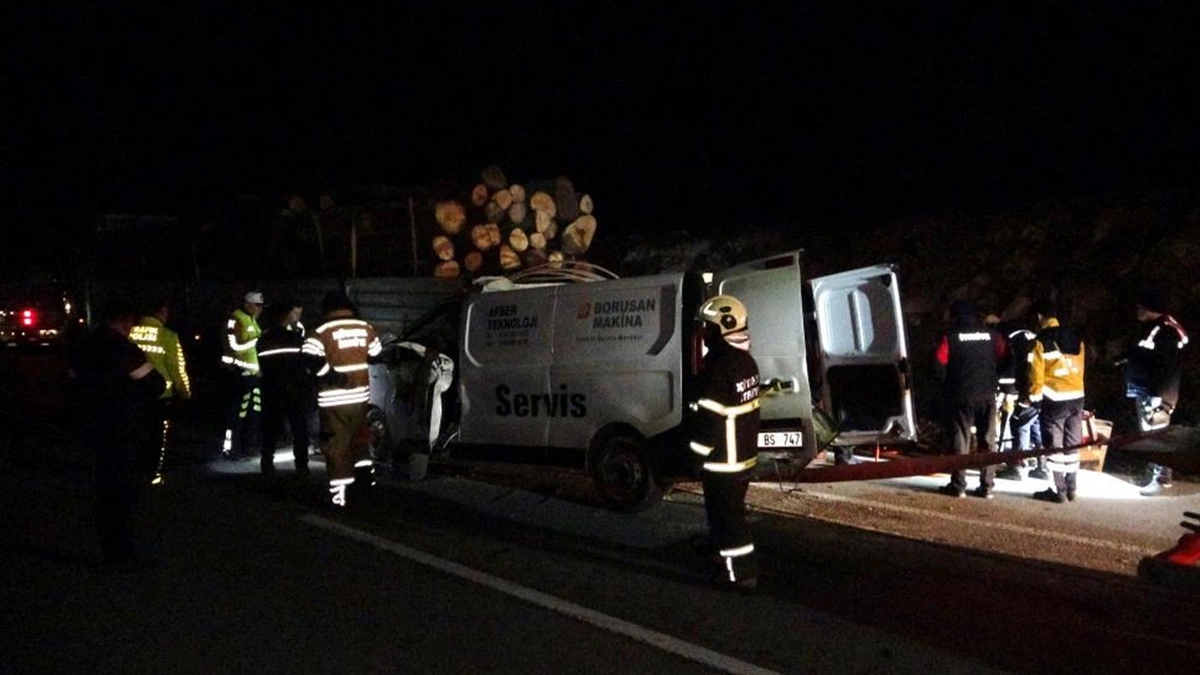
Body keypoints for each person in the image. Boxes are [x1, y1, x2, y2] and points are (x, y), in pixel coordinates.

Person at [70, 301, 166, 572]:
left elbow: (74, 382)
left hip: (95, 425)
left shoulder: (85, 346)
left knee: (105, 490)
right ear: (124, 322)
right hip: (123, 426)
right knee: (122, 493)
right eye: (130, 325)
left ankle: (110, 549)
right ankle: (122, 554)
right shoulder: (123, 349)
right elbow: (154, 384)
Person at [688, 294, 762, 593]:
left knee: (730, 519)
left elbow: (710, 422)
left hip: (723, 460)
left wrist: (696, 457)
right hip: (742, 456)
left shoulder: (720, 368)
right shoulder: (745, 361)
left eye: (708, 327)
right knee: (725, 514)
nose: (704, 332)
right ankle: (722, 555)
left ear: (722, 327)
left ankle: (740, 575)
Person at [302, 290, 381, 507]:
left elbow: (310, 359)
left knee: (337, 445)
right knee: (360, 441)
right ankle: (365, 487)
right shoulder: (365, 328)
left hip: (333, 399)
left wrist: (330, 373)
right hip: (360, 397)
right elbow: (375, 354)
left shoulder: (320, 331)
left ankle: (339, 497)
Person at [932, 300, 1008, 499]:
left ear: (956, 316)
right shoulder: (992, 336)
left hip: (961, 395)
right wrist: (995, 378)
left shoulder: (951, 337)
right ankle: (987, 487)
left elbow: (938, 363)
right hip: (987, 394)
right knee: (988, 440)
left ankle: (958, 486)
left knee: (961, 439)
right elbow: (1007, 357)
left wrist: (947, 384)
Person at [1121, 287, 1189, 496]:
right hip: (1146, 389)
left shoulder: (1165, 331)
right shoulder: (1154, 327)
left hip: (1155, 393)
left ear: (1150, 308)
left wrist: (1160, 397)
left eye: (1140, 307)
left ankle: (1161, 478)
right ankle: (1152, 473)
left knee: (1157, 436)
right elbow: (1143, 352)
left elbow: (1166, 367)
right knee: (1149, 436)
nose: (1137, 311)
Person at [1027, 300, 1086, 504]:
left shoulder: (1041, 340)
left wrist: (1034, 399)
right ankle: (1072, 488)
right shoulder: (1076, 338)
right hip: (1077, 396)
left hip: (1054, 397)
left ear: (1039, 317)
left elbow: (1037, 375)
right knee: (1072, 444)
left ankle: (1057, 490)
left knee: (1054, 445)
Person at [129, 298, 192, 485]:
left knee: (133, 433)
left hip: (132, 392)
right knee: (157, 436)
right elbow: (176, 368)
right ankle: (154, 475)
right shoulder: (167, 335)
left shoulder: (129, 332)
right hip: (159, 394)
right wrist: (185, 391)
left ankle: (132, 470)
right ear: (161, 312)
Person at [257, 299, 314, 478]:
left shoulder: (263, 339)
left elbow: (264, 364)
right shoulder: (295, 339)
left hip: (271, 389)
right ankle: (302, 467)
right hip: (294, 390)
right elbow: (307, 363)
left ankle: (266, 464)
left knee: (270, 429)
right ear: (286, 315)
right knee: (299, 429)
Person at [994, 314, 1045, 481]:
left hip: (1022, 389)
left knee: (1019, 423)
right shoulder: (1033, 337)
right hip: (1040, 391)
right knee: (1035, 425)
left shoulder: (1007, 337)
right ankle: (1041, 466)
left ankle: (1016, 466)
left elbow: (1009, 364)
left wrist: (1002, 385)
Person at [220, 291, 264, 459]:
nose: (260, 309)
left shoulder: (251, 319)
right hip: (239, 374)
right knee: (236, 414)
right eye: (257, 305)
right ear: (247, 304)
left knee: (253, 413)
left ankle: (247, 447)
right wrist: (258, 339)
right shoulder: (235, 319)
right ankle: (231, 449)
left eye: (261, 306)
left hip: (252, 375)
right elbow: (235, 346)